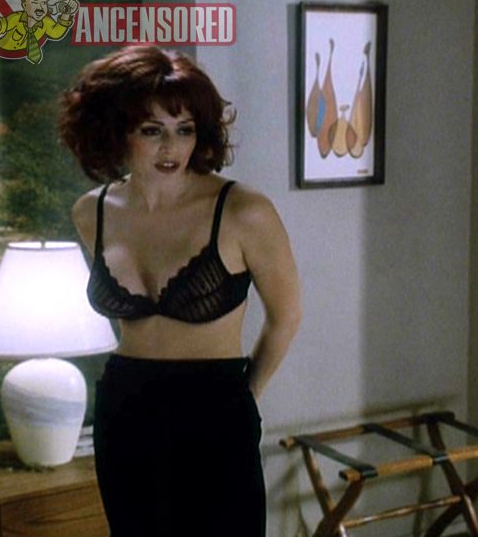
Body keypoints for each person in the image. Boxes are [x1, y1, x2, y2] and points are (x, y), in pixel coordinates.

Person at [59, 45, 301, 537]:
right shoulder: (91, 213)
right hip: (125, 412)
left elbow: (286, 317)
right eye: (152, 130)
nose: (171, 147)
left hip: (217, 413)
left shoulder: (243, 212)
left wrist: (245, 396)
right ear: (117, 131)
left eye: (184, 129)